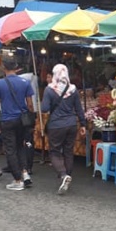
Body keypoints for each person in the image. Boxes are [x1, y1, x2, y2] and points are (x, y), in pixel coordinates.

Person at [0, 58, 35, 191]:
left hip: (7, 120)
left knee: (10, 150)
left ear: (4, 68)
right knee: (21, 147)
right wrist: (30, 120)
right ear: (16, 67)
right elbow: (30, 105)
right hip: (22, 120)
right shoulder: (25, 82)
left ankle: (17, 180)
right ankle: (25, 173)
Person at [41, 64, 86, 195]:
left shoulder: (49, 90)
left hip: (56, 125)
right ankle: (68, 176)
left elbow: (44, 109)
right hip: (71, 124)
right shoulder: (73, 89)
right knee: (68, 151)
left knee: (54, 151)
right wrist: (82, 124)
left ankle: (63, 174)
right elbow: (78, 108)